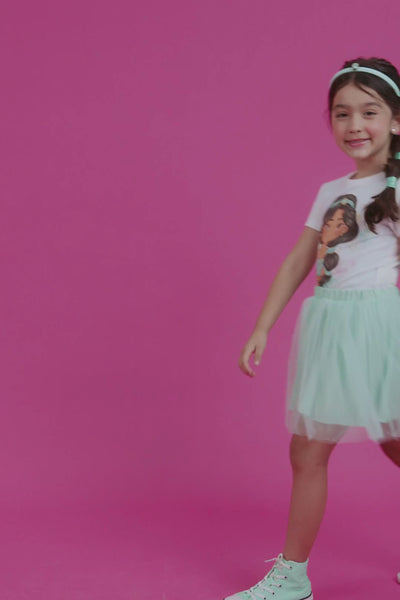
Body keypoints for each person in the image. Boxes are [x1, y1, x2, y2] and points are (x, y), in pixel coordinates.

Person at [224, 57, 400, 600]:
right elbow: (300, 259)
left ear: (396, 119)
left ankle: (293, 576)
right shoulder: (331, 189)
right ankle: (293, 577)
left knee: (391, 442)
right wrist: (263, 326)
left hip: (380, 326)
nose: (355, 125)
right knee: (309, 450)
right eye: (342, 114)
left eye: (369, 112)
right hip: (330, 325)